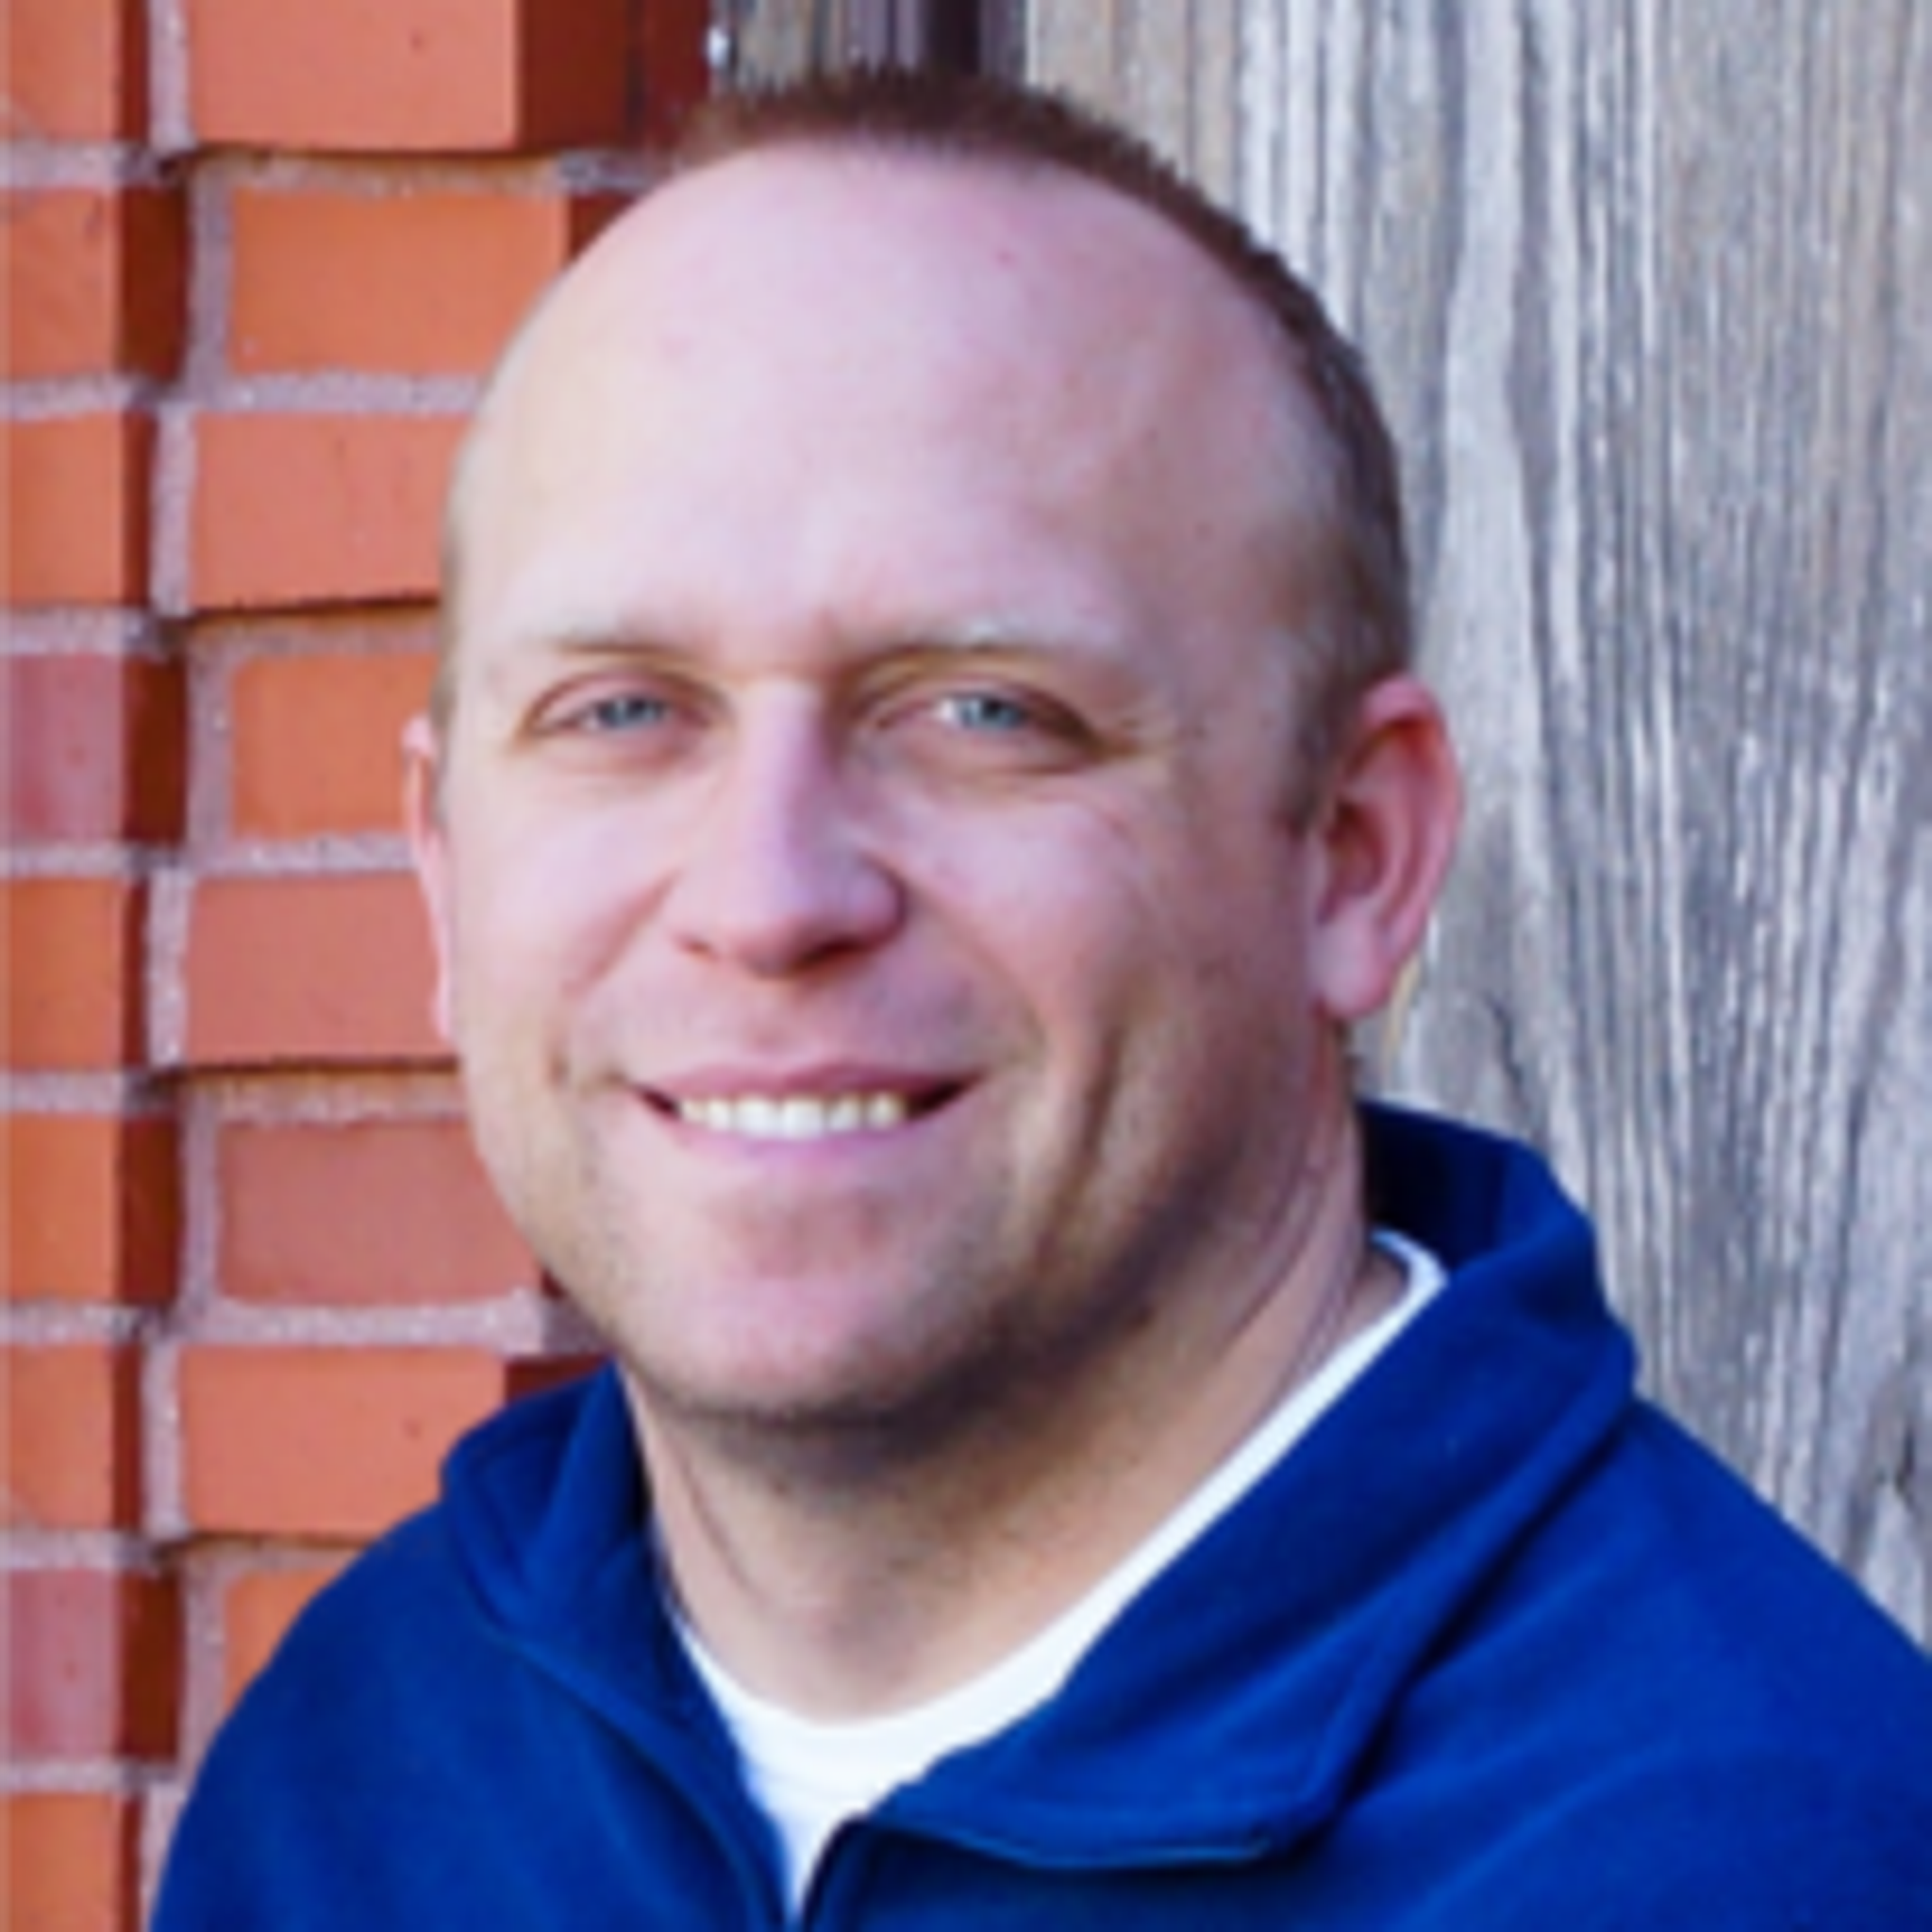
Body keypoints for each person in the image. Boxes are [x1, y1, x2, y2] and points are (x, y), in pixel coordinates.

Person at [156, 68, 1932, 1929]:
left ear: (1351, 856)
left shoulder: (1742, 1859)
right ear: (445, 864)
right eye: (620, 711)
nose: (768, 897)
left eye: (983, 712)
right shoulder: (362, 1779)